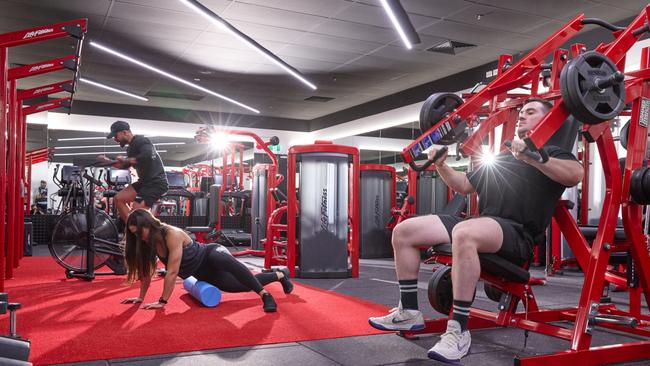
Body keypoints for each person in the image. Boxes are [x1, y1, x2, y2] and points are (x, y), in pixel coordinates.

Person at [368, 98, 583, 363]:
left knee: (465, 232)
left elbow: (575, 175)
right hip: (484, 225)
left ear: (549, 121)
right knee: (405, 231)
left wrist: (534, 158)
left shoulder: (554, 154)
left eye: (530, 112)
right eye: (521, 113)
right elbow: (464, 185)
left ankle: (458, 331)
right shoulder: (503, 157)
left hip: (517, 235)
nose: (522, 117)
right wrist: (441, 165)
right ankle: (409, 312)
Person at [120, 208, 293, 312]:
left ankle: (266, 296)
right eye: (133, 234)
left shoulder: (170, 234)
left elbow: (172, 272)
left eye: (138, 232)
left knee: (223, 260)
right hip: (203, 273)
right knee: (239, 285)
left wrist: (162, 301)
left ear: (148, 225)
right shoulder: (148, 242)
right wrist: (140, 297)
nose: (137, 237)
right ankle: (280, 275)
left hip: (210, 253)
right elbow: (145, 272)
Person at [100, 121, 169, 224]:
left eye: (116, 135)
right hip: (144, 183)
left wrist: (126, 159)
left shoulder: (141, 141)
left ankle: (139, 232)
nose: (115, 139)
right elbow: (125, 165)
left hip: (155, 183)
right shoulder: (131, 148)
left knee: (136, 214)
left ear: (124, 132)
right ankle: (132, 230)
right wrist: (108, 162)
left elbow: (147, 156)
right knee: (118, 199)